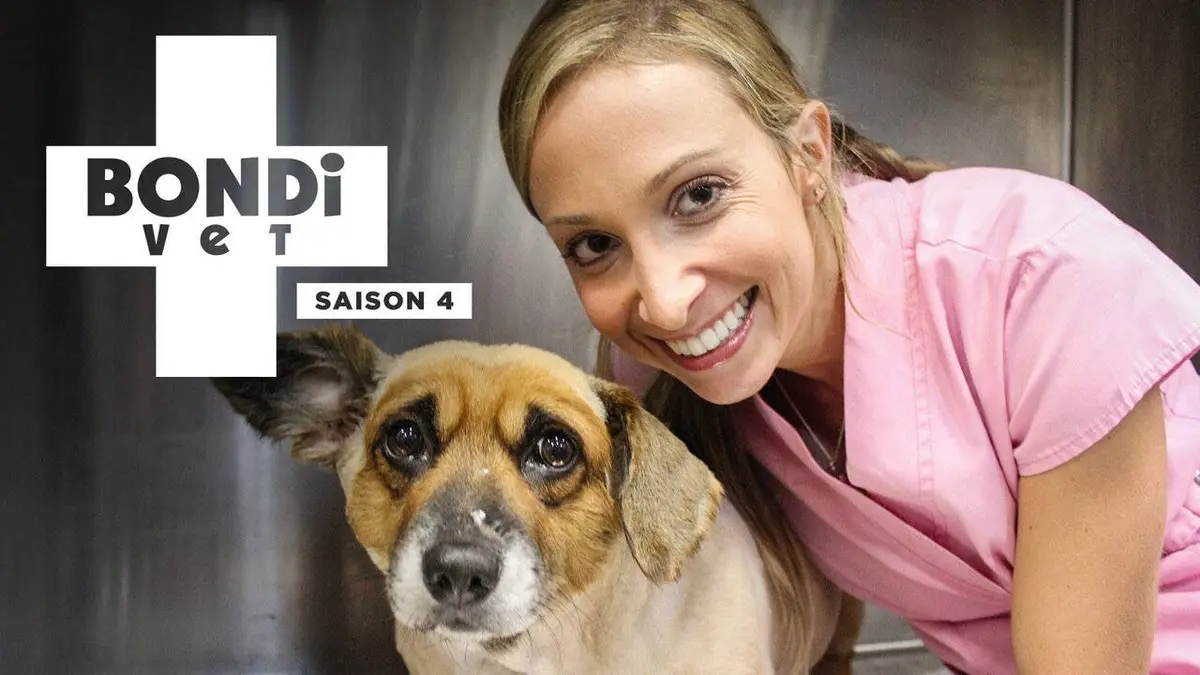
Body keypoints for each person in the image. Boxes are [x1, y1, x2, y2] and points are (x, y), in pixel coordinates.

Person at [496, 0, 1200, 673]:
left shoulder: (1049, 286)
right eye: (595, 244)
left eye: (699, 195)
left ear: (809, 154)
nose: (667, 303)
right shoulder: (662, 383)